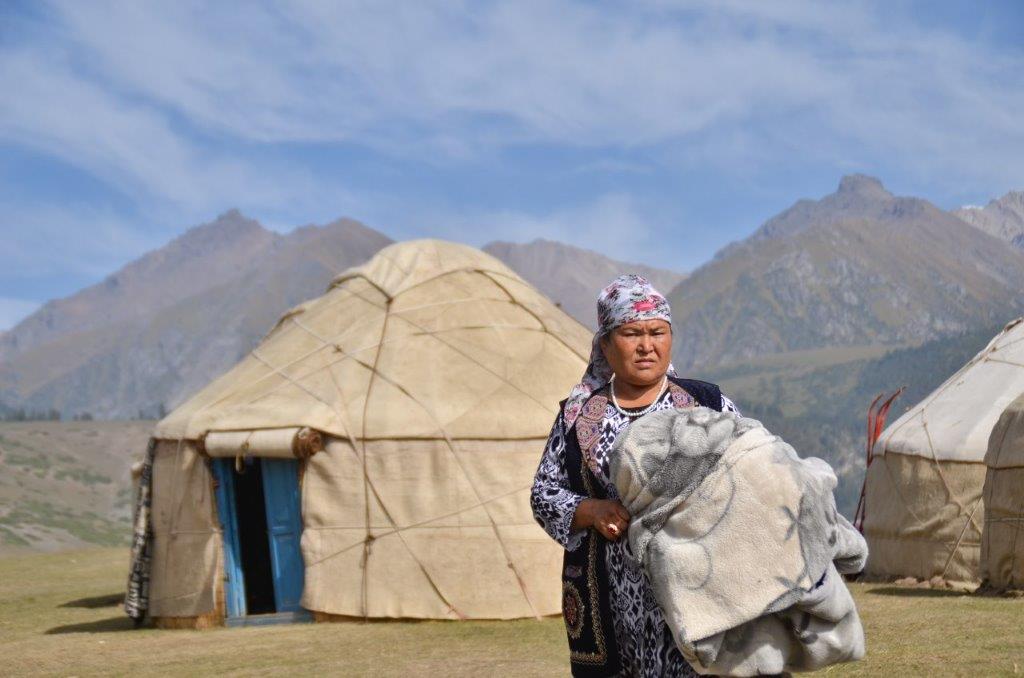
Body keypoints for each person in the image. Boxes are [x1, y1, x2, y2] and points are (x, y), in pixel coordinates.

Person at [531, 274, 740, 678]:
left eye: (657, 332)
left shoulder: (706, 404)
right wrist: (590, 510)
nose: (647, 345)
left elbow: (751, 472)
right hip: (609, 602)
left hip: (694, 594)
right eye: (631, 333)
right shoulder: (578, 416)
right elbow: (543, 493)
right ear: (606, 344)